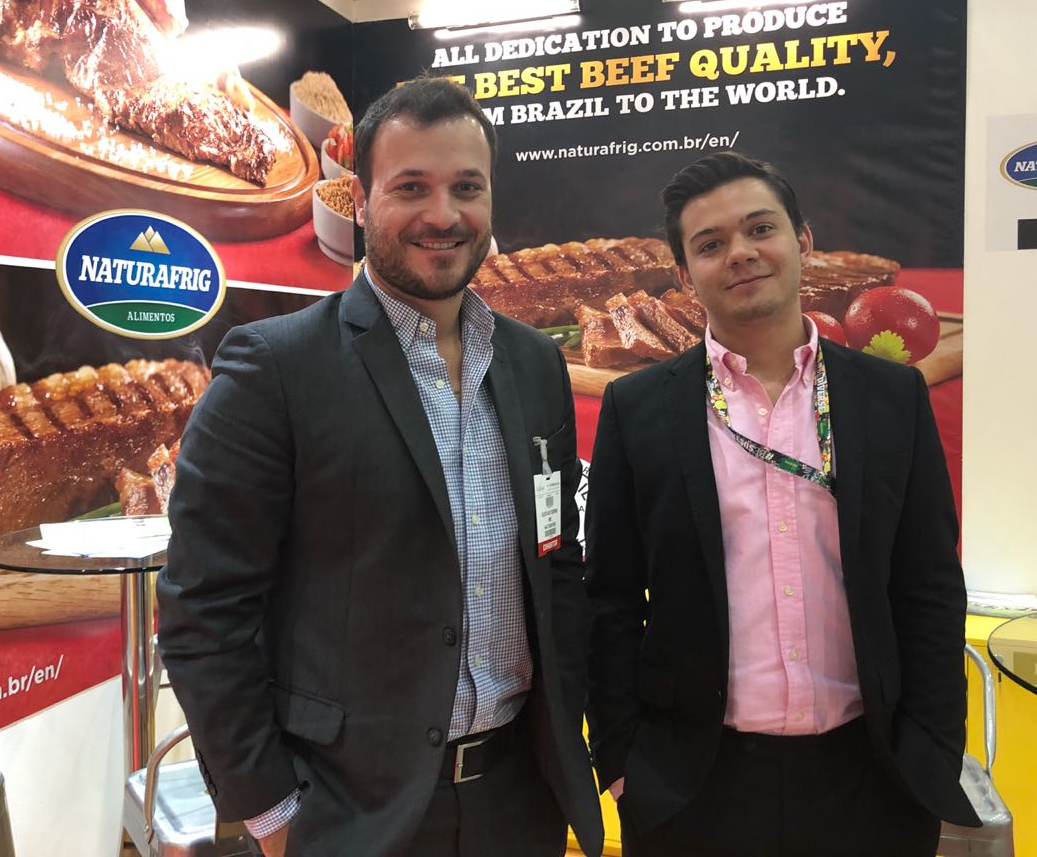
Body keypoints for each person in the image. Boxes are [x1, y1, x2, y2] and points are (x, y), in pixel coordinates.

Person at [156, 76, 602, 857]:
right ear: (360, 201)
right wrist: (271, 814)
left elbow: (554, 561)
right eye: (412, 187)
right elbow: (204, 609)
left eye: (467, 187)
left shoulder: (535, 365)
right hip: (349, 813)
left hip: (520, 800)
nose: (444, 214)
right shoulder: (276, 368)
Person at [584, 151, 979, 856]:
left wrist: (933, 748)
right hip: (692, 786)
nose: (739, 252)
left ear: (803, 241)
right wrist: (621, 756)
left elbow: (929, 585)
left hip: (873, 776)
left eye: (760, 228)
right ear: (684, 275)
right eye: (710, 244)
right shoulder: (636, 408)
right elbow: (609, 595)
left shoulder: (892, 397)